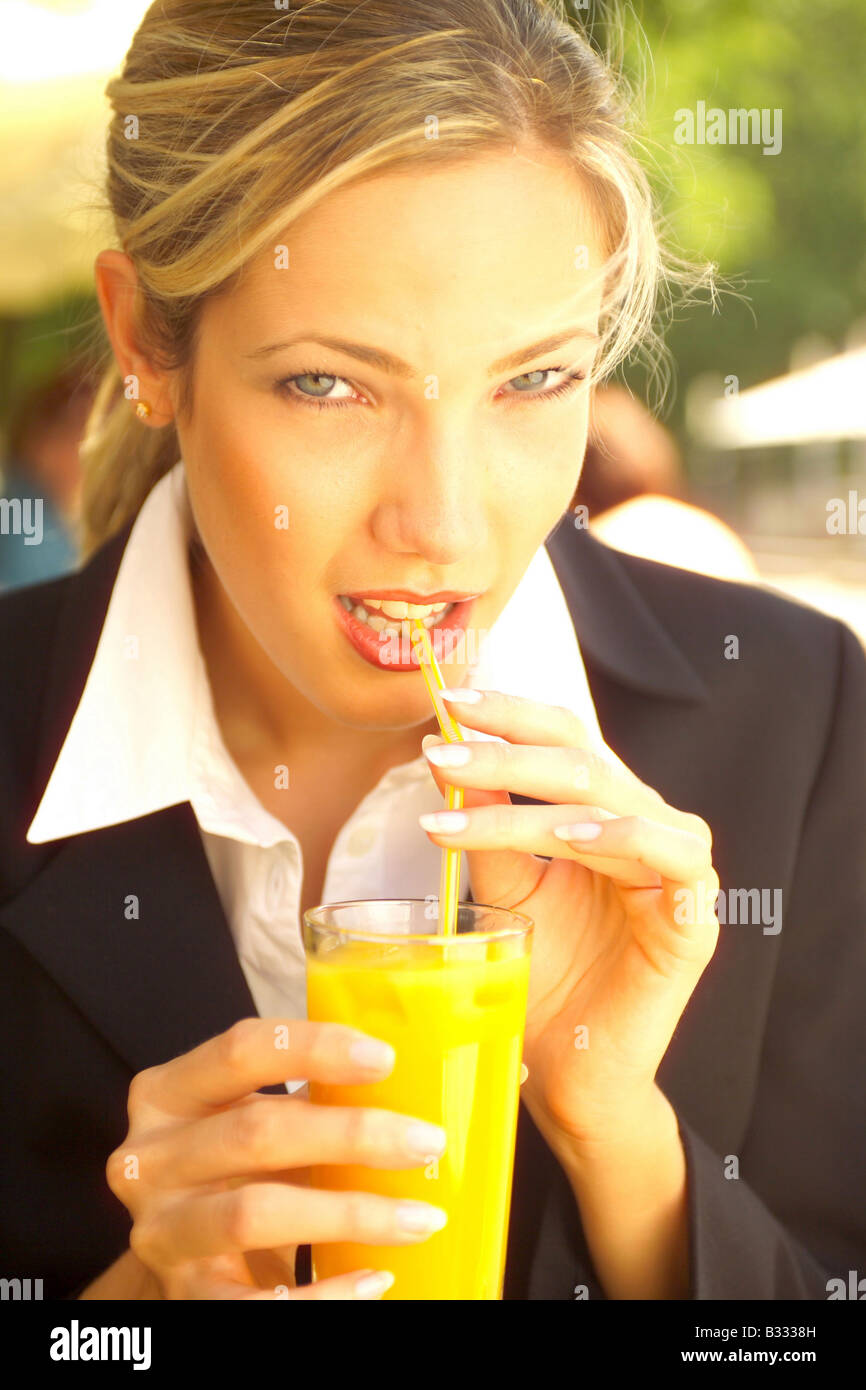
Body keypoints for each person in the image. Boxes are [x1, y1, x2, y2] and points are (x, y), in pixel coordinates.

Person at [0, 0, 864, 1303]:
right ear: (141, 339)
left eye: (530, 383)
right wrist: (131, 1305)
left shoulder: (801, 722)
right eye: (328, 385)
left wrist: (619, 1137)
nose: (444, 525)